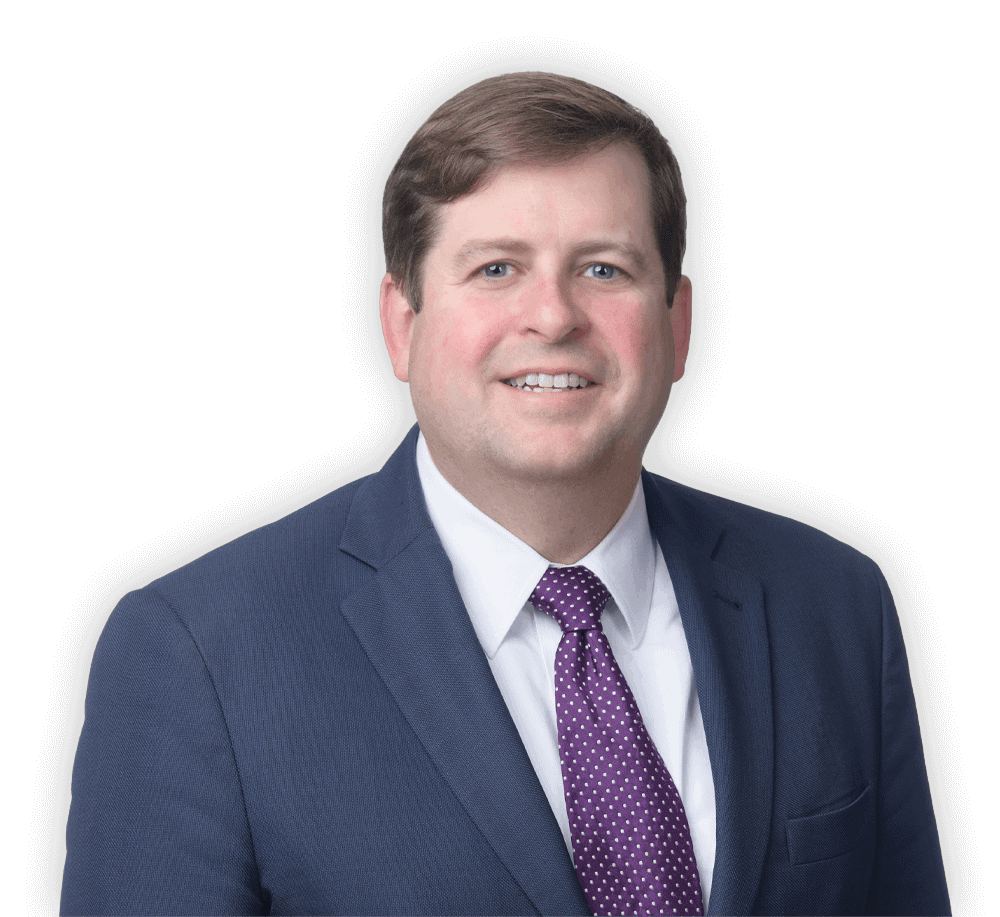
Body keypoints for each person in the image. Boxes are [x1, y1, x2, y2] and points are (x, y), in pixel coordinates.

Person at [61, 71, 950, 916]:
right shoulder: (197, 651)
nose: (553, 316)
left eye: (603, 269)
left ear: (678, 326)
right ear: (402, 325)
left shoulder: (836, 603)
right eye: (496, 268)